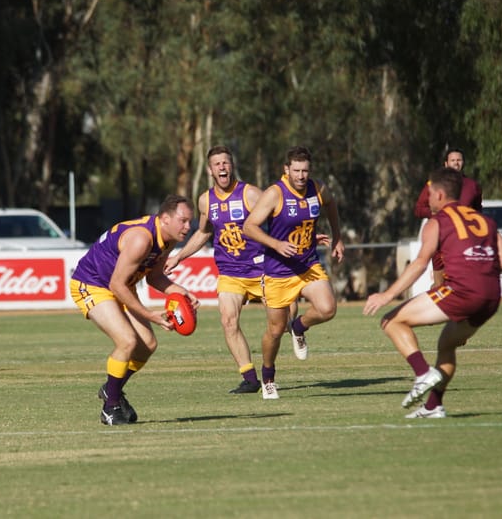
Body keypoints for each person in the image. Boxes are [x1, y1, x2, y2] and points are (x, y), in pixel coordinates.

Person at [364, 167, 502, 418]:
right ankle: (434, 406)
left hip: (462, 291)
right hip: (490, 297)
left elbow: (420, 264)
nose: (427, 199)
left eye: (430, 193)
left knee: (390, 321)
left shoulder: (437, 222)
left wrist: (386, 295)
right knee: (447, 343)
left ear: (441, 195)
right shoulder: (485, 220)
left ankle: (422, 373)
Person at [70, 194, 199, 425]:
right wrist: (151, 315)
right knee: (127, 341)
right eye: (183, 220)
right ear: (165, 218)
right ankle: (110, 408)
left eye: (190, 221)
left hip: (120, 285)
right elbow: (115, 285)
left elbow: (155, 277)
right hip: (92, 284)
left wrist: (180, 292)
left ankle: (112, 389)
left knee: (147, 346)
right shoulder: (142, 239)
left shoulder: (168, 239)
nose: (188, 227)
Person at [243, 146, 344, 399]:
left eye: (305, 171)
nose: (301, 176)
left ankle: (298, 327)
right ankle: (268, 377)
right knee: (275, 331)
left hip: (307, 264)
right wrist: (276, 244)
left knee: (328, 308)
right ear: (286, 170)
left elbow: (331, 206)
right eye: (296, 170)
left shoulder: (318, 189)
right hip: (277, 271)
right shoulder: (275, 194)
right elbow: (249, 227)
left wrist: (338, 237)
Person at [164, 145, 265, 394]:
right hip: (231, 272)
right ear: (210, 170)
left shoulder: (250, 194)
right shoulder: (205, 200)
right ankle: (250, 379)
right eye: (217, 164)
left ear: (232, 166)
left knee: (282, 322)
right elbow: (204, 232)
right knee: (228, 321)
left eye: (226, 162)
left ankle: (296, 329)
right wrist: (179, 257)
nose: (222, 167)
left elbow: (280, 216)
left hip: (263, 268)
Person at [413, 148, 483, 287]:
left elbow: (477, 211)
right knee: (440, 286)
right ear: (446, 164)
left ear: (463, 163)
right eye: (453, 160)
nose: (456, 163)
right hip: (441, 241)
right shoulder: (434, 185)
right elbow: (419, 209)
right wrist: (436, 214)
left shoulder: (472, 186)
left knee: (465, 284)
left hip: (464, 242)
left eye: (459, 160)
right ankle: (436, 300)